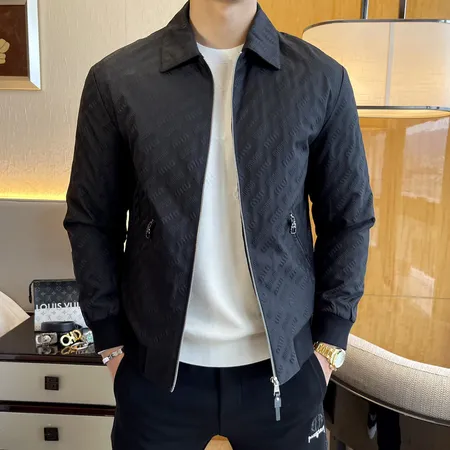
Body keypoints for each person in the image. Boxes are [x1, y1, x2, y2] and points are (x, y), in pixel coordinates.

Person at [64, 0, 375, 449]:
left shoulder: (321, 79)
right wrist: (110, 341)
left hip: (286, 372)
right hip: (155, 374)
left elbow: (349, 218)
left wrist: (329, 344)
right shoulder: (117, 80)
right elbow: (92, 219)